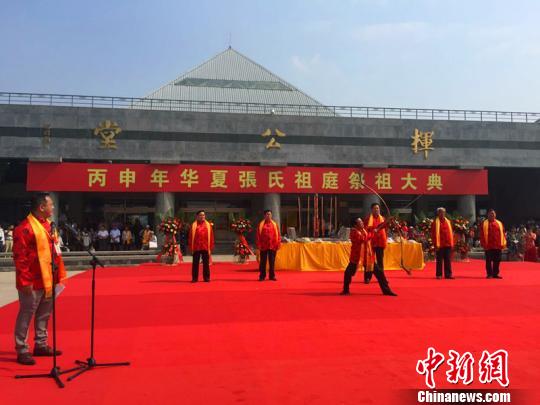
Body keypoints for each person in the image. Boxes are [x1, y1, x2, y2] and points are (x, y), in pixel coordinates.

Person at [12, 193, 67, 365]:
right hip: (32, 280)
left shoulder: (50, 226)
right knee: (26, 314)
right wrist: (24, 281)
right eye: (51, 205)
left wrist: (58, 276)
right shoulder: (24, 228)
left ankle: (41, 344)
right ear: (41, 207)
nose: (53, 208)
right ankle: (22, 349)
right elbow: (20, 258)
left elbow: (55, 253)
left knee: (44, 314)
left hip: (49, 278)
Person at [341, 217, 397, 296]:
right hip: (357, 257)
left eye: (361, 222)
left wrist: (386, 222)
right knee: (348, 273)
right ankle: (346, 290)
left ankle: (386, 290)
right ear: (355, 225)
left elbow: (377, 227)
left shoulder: (364, 229)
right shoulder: (354, 232)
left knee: (379, 273)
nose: (362, 223)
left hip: (368, 257)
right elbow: (363, 239)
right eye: (360, 222)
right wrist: (373, 232)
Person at [364, 203, 388, 284]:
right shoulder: (368, 219)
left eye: (377, 208)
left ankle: (382, 278)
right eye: (375, 208)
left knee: (380, 261)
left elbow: (385, 228)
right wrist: (372, 231)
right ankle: (368, 277)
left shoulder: (383, 219)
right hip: (371, 242)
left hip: (380, 242)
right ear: (371, 209)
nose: (376, 210)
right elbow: (365, 230)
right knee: (370, 261)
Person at [479, 209, 506, 279]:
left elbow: (503, 233)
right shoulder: (484, 224)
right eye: (491, 214)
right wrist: (483, 244)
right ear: (488, 215)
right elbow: (482, 235)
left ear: (495, 215)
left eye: (493, 214)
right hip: (488, 245)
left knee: (497, 260)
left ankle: (495, 274)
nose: (492, 215)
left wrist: (503, 243)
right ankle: (489, 274)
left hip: (498, 245)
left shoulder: (499, 223)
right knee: (488, 260)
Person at [188, 210, 214, 282]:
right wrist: (191, 247)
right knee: (195, 263)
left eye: (203, 215)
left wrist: (211, 247)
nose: (202, 216)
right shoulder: (193, 225)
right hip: (196, 247)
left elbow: (211, 237)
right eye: (201, 215)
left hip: (205, 246)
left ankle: (206, 278)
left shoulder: (208, 225)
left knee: (206, 264)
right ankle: (194, 278)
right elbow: (190, 237)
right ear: (197, 216)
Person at [256, 210, 281, 281]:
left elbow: (278, 235)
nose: (268, 216)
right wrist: (258, 244)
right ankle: (262, 276)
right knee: (263, 262)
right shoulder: (261, 224)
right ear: (264, 216)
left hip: (273, 245)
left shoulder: (275, 224)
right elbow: (258, 235)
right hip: (263, 246)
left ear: (271, 215)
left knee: (272, 262)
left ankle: (272, 276)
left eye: (270, 214)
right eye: (267, 214)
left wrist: (278, 243)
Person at [431, 207, 454, 279]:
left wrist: (451, 243)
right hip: (439, 244)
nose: (442, 214)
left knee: (448, 260)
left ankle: (448, 274)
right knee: (439, 260)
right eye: (440, 212)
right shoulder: (435, 222)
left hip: (447, 244)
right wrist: (435, 244)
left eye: (443, 212)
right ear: (438, 213)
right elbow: (433, 234)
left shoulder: (448, 221)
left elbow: (450, 233)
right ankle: (439, 274)